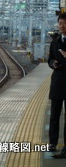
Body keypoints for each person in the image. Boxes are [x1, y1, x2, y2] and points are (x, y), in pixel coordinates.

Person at [47, 13, 66, 157]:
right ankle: (52, 143)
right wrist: (53, 63)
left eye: (64, 23)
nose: (62, 26)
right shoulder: (55, 41)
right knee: (54, 115)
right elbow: (50, 59)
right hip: (58, 82)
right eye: (60, 23)